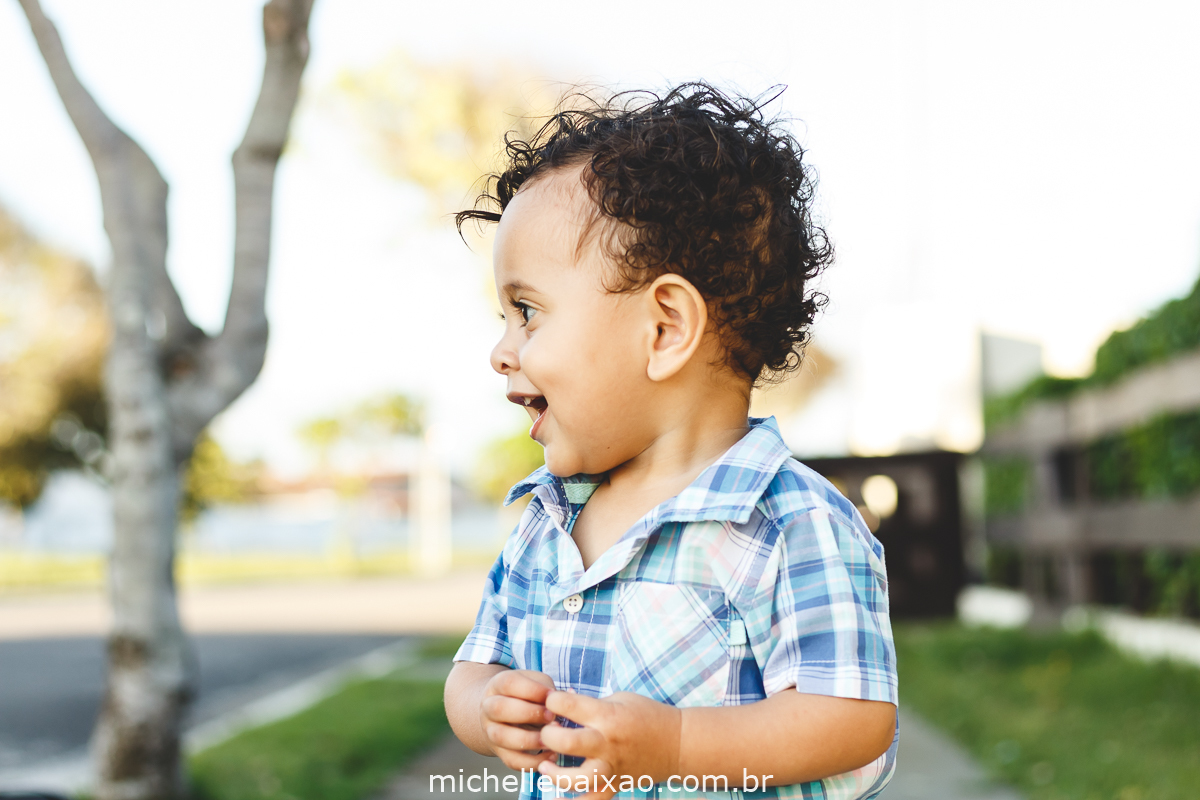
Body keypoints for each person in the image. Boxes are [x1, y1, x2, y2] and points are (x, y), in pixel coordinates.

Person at [444, 83, 898, 800]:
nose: (502, 351)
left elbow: (850, 718)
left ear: (664, 330)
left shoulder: (790, 524)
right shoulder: (548, 521)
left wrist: (677, 744)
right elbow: (477, 664)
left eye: (527, 311)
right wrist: (486, 708)